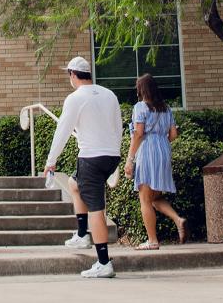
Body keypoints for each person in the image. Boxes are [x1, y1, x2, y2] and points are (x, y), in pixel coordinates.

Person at [45, 56, 123, 278]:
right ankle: (81, 235)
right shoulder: (109, 94)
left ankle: (103, 262)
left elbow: (63, 130)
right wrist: (114, 154)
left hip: (91, 157)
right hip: (111, 156)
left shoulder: (75, 98)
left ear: (72, 75)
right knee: (73, 183)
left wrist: (51, 161)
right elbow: (118, 126)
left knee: (96, 209)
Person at [123, 74, 187, 250]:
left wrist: (129, 159)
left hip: (147, 150)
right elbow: (173, 134)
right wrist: (161, 140)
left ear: (141, 90)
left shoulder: (140, 107)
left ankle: (152, 240)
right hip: (164, 149)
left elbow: (138, 133)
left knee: (144, 197)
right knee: (155, 197)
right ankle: (177, 219)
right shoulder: (166, 108)